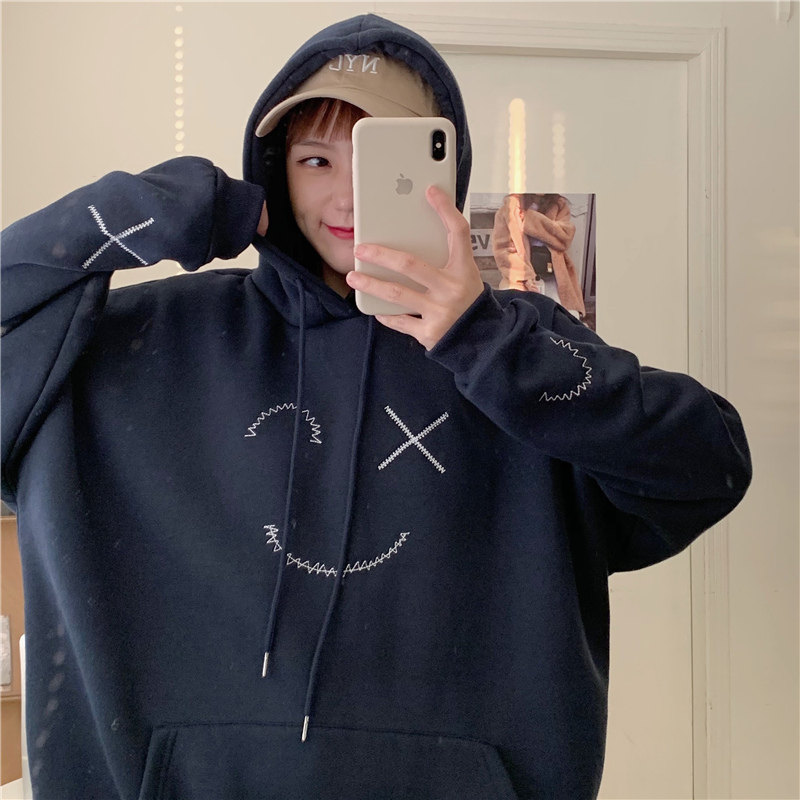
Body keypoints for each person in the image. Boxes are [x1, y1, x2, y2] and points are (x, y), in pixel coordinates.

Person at [0, 13, 751, 800]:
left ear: (442, 168)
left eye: (381, 159)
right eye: (315, 159)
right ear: (275, 172)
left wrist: (484, 341)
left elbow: (710, 463)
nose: (348, 193)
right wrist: (158, 208)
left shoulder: (517, 345)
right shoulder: (153, 339)